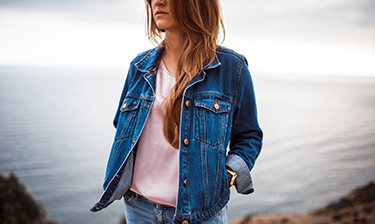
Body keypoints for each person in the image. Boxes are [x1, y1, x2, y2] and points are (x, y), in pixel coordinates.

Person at [90, 0, 263, 223]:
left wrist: (228, 175)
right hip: (138, 207)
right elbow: (123, 127)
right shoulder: (139, 67)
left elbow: (249, 136)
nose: (157, 2)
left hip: (202, 212)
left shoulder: (231, 67)